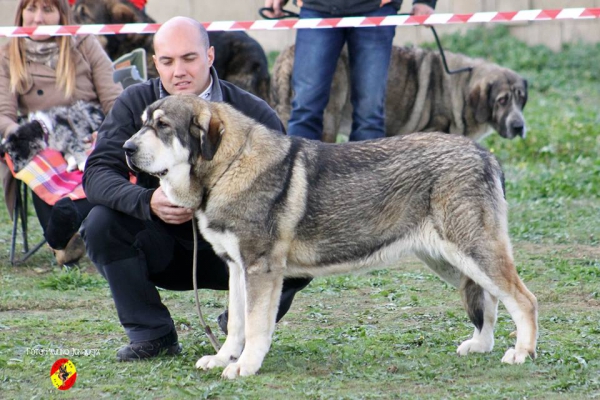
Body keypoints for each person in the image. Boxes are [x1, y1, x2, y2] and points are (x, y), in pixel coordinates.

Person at [81, 16, 312, 361]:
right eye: (168, 61)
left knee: (299, 244)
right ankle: (152, 334)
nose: (179, 71)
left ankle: (242, 324)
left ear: (210, 56)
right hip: (165, 246)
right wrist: (148, 200)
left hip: (238, 248)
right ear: (156, 62)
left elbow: (284, 185)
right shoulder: (134, 103)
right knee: (100, 225)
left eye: (189, 58)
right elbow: (98, 171)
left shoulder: (250, 111)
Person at [0, 0, 123, 265]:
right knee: (37, 158)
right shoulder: (8, 53)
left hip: (89, 127)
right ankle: (64, 242)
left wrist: (106, 132)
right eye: (31, 10)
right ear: (20, 15)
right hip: (41, 135)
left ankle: (66, 230)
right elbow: (4, 115)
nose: (38, 18)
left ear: (61, 14)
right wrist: (24, 135)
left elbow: (114, 99)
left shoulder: (84, 43)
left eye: (47, 10)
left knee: (105, 157)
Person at [263, 0, 436, 142]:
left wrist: (424, 2)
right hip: (317, 7)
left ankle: (365, 183)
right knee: (305, 108)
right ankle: (298, 180)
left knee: (370, 114)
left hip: (376, 8)